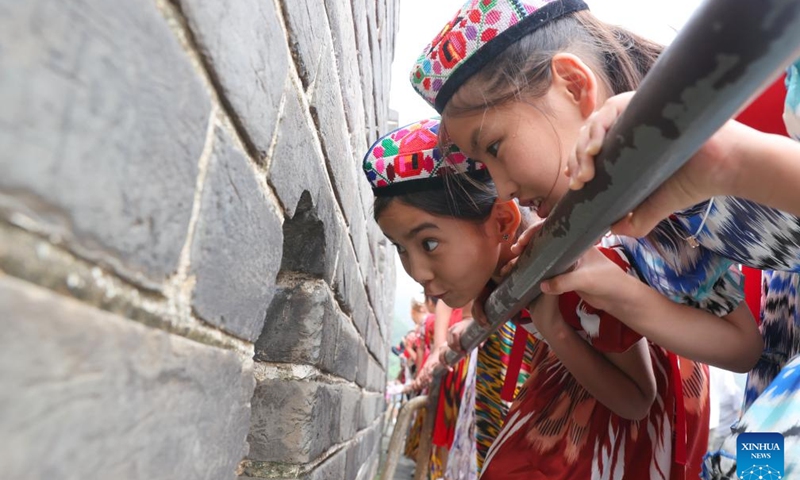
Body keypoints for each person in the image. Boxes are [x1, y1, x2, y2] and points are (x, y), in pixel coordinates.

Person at [410, 0, 763, 375]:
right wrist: (611, 286)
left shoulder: (723, 101)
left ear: (574, 86)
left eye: (495, 148)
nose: (501, 189)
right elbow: (743, 347)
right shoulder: (637, 223)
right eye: (484, 165)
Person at [363, 118, 712, 479]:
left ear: (502, 223)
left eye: (429, 243)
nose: (417, 270)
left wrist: (553, 329)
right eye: (400, 248)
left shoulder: (573, 273)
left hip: (624, 427)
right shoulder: (507, 275)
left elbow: (638, 399)